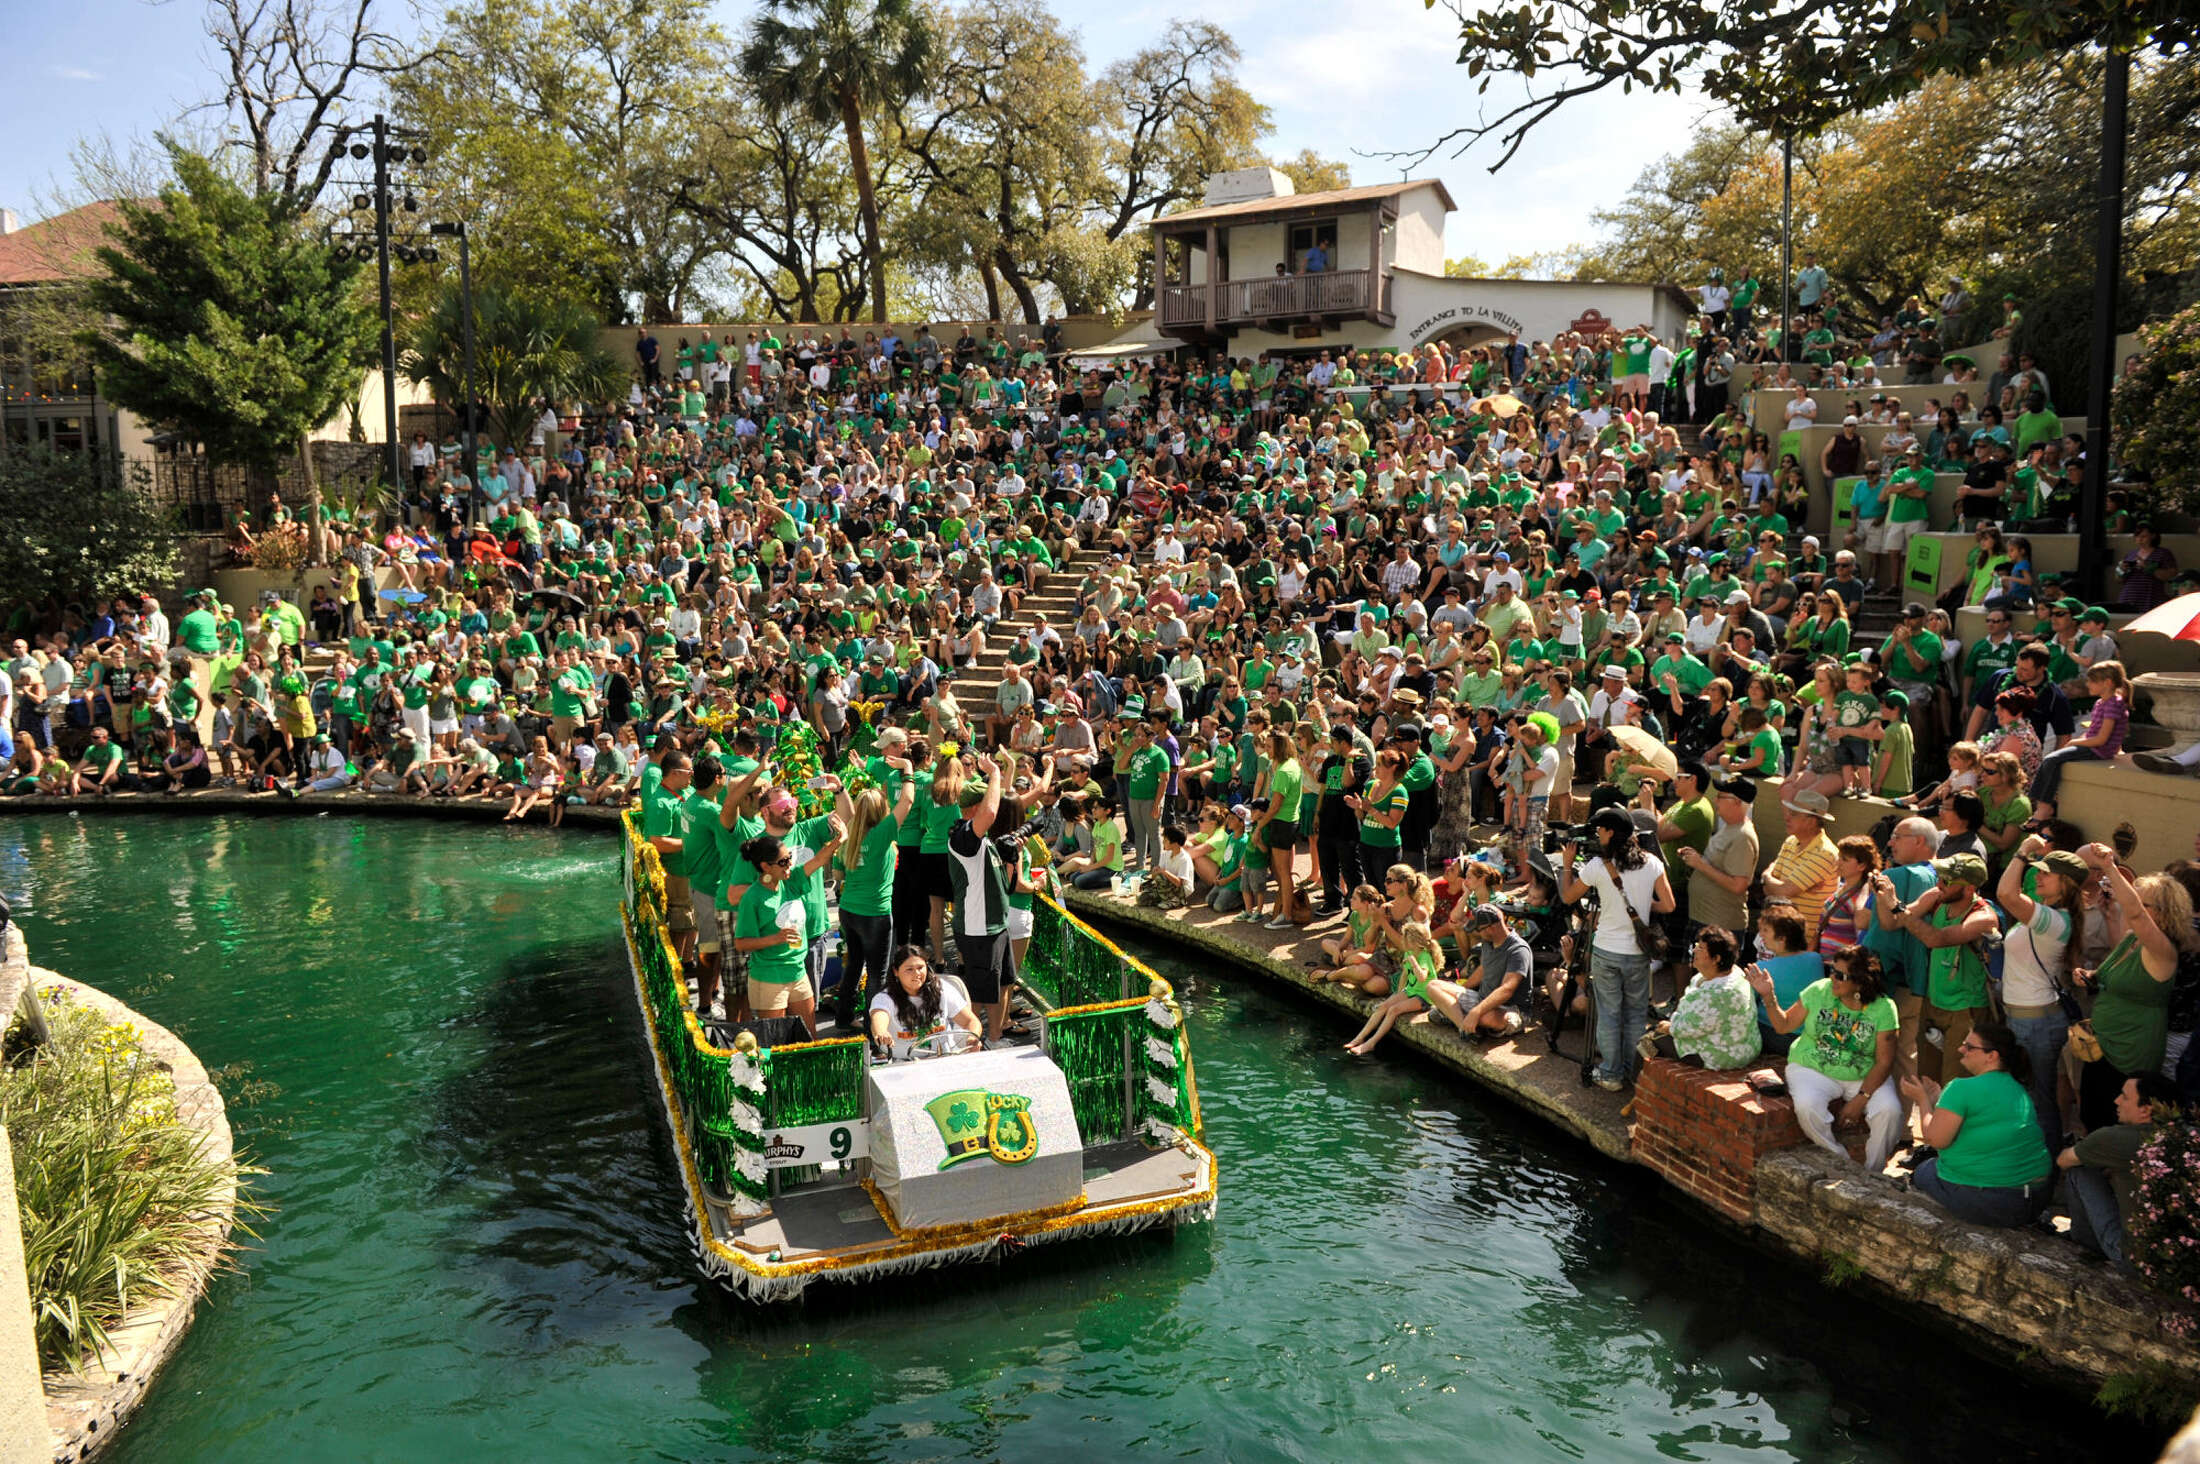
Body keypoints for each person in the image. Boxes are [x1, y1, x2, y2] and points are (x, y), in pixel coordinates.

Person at [2073, 845, 2195, 1131]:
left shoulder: (2163, 950)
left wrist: (2109, 868)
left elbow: (2136, 916)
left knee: (2110, 1120)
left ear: (2164, 914)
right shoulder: (2132, 939)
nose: (2133, 907)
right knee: (2092, 1115)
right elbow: (2120, 970)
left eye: (2143, 903)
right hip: (2102, 1044)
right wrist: (2090, 974)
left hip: (2130, 1050)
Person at [1752, 945, 1904, 1170]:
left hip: (1862, 1072)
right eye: (1831, 970)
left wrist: (1860, 1099)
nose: (1832, 978)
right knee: (1806, 1106)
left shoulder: (1884, 1008)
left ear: (1861, 981)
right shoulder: (1819, 991)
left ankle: (1873, 1171)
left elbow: (1884, 1061)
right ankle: (1841, 1161)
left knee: (1890, 1111)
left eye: (1840, 975)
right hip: (1812, 1067)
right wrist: (1768, 995)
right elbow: (1783, 1025)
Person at [1559, 806, 1677, 1092]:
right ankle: (1632, 1071)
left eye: (1600, 830)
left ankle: (1610, 1074)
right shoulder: (1652, 863)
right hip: (1638, 952)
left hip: (1606, 950)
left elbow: (1567, 896)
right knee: (1636, 1014)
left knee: (1610, 1013)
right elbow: (1669, 905)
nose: (1597, 835)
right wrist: (1639, 907)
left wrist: (1566, 865)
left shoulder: (1598, 866)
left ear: (1611, 832)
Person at [1899, 1023, 2055, 1228]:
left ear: (1992, 1056)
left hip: (1996, 1202)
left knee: (1925, 1170)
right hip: (2037, 1196)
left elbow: (1935, 1139)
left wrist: (1922, 1100)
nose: (1960, 1049)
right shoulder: (2017, 1087)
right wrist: (1938, 1100)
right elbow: (1980, 1122)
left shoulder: (1961, 1088)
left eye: (1969, 1047)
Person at [1870, 852, 1998, 1085]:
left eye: (1947, 881)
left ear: (1969, 889)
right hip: (1933, 1003)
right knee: (1928, 1081)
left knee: (1955, 1084)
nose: (1939, 884)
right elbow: (1891, 923)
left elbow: (1935, 938)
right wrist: (1881, 896)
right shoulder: (1937, 896)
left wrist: (1895, 905)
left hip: (1965, 1010)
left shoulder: (1983, 918)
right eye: (1939, 877)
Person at [2055, 1073, 2182, 1273]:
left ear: (2145, 1110)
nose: (2116, 1100)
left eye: (2124, 1096)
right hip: (2177, 1255)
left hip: (2134, 1259)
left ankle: (2085, 1246)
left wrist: (2098, 1156)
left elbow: (2063, 1161)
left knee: (2079, 1172)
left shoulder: (2114, 1139)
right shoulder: (2186, 1136)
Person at [946, 751, 1020, 1042]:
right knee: (977, 992)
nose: (995, 811)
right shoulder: (963, 838)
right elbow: (990, 812)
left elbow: (993, 807)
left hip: (995, 925)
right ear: (973, 808)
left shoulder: (982, 839)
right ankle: (970, 1043)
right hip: (978, 929)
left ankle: (996, 1036)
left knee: (1002, 983)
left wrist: (1015, 860)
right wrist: (995, 773)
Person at [730, 831, 830, 1036]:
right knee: (773, 1044)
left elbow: (819, 859)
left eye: (790, 858)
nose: (790, 865)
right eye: (783, 861)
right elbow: (741, 943)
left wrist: (840, 839)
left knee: (810, 1039)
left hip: (798, 972)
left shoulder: (790, 881)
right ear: (766, 867)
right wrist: (776, 938)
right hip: (769, 977)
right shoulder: (752, 897)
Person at [1661, 926, 1761, 1070]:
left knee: (1648, 1043)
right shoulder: (1735, 973)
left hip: (1722, 1054)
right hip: (1741, 1045)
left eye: (1700, 948)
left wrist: (1668, 1027)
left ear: (1716, 959)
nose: (1694, 951)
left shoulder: (1718, 994)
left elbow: (1685, 1029)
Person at [1426, 903, 1531, 1038]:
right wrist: (1461, 990)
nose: (1476, 933)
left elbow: (1507, 989)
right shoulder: (1488, 942)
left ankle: (1459, 1018)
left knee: (1485, 1018)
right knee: (1432, 986)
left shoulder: (1518, 950)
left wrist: (1476, 1012)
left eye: (1479, 929)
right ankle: (1465, 1028)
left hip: (1510, 1009)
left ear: (1491, 928)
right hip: (1482, 1000)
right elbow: (1483, 969)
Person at [867, 945, 983, 1061]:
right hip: (904, 1063)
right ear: (896, 971)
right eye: (909, 969)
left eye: (920, 967)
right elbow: (878, 1019)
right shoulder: (884, 998)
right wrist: (881, 1032)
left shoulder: (942, 989)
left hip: (945, 1058)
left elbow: (971, 1021)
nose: (917, 973)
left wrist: (972, 1038)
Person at [1762, 787, 1839, 946]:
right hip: (1777, 936)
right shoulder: (1791, 841)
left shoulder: (1825, 853)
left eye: (1794, 814)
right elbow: (1770, 892)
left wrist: (1767, 877)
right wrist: (1774, 883)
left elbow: (1784, 891)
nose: (1787, 817)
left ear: (1811, 821)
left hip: (1801, 943)